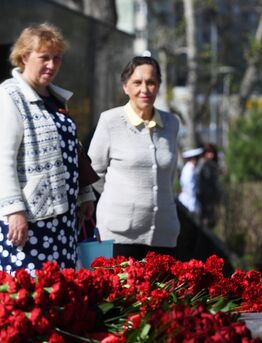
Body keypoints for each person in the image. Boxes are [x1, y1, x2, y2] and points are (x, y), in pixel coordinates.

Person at [0, 23, 95, 275]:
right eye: (44, 58)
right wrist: (14, 211)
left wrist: (85, 193)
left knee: (62, 291)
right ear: (24, 57)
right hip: (30, 220)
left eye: (57, 58)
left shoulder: (55, 97)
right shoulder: (10, 96)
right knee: (29, 294)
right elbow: (4, 159)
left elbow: (71, 151)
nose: (51, 65)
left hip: (63, 220)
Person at [88, 55, 180, 260]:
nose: (144, 89)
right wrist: (120, 198)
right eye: (137, 82)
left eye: (151, 82)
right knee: (120, 292)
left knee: (163, 292)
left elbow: (170, 173)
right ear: (125, 87)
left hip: (164, 233)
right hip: (119, 234)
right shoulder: (110, 121)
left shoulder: (172, 123)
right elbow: (93, 172)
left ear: (158, 86)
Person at [196, 143, 222, 228]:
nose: (211, 155)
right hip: (204, 199)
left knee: (211, 221)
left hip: (211, 199)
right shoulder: (202, 164)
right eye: (208, 153)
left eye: (212, 153)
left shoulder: (213, 165)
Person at [178, 147, 203, 219]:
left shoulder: (190, 168)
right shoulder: (190, 170)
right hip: (188, 202)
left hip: (189, 201)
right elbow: (191, 188)